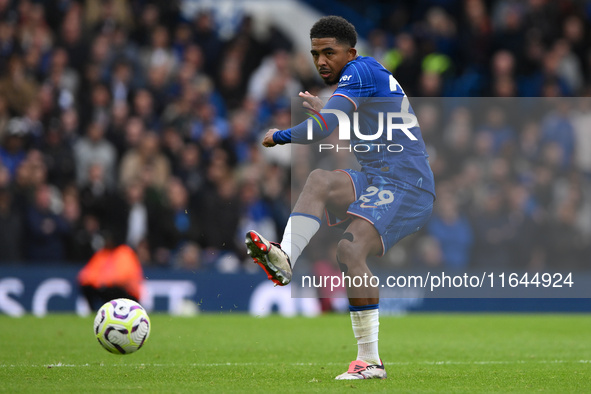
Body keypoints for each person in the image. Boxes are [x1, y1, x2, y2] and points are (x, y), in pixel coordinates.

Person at [245, 16, 435, 380]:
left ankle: (370, 361)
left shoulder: (359, 72)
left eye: (329, 52)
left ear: (351, 52)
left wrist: (279, 135)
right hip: (380, 179)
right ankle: (284, 256)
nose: (320, 61)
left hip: (407, 185)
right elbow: (361, 128)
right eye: (315, 53)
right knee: (319, 180)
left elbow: (324, 129)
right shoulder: (361, 80)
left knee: (349, 252)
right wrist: (331, 116)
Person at [78, 230, 145, 311]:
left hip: (127, 293)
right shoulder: (102, 254)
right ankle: (93, 311)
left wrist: (103, 281)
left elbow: (123, 276)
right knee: (88, 287)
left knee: (113, 289)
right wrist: (99, 282)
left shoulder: (124, 252)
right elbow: (86, 275)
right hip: (106, 288)